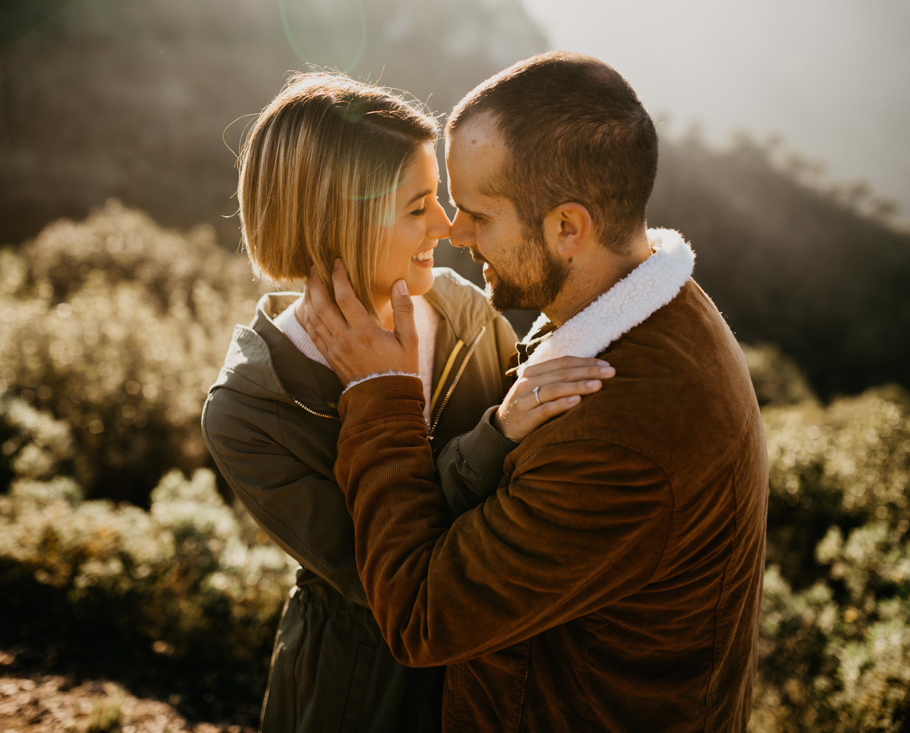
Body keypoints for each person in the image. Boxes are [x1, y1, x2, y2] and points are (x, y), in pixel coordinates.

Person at [303, 52, 769, 732]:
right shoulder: (652, 309)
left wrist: (383, 393)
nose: (453, 233)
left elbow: (421, 614)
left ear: (567, 228)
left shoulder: (619, 435)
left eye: (479, 215)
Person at [200, 72, 614, 733]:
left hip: (500, 685)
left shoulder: (468, 312)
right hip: (359, 698)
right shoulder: (249, 410)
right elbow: (390, 574)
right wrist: (493, 432)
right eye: (418, 207)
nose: (449, 226)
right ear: (338, 220)